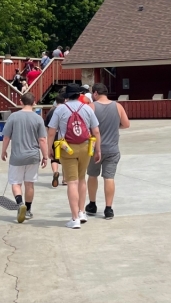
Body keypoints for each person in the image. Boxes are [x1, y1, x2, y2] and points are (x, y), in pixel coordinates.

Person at [46, 84, 101, 229]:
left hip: (67, 148)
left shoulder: (60, 109)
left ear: (66, 96)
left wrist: (48, 149)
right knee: (82, 179)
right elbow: (96, 131)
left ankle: (75, 218)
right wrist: (98, 150)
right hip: (85, 147)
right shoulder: (87, 108)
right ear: (79, 94)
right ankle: (82, 212)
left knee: (72, 182)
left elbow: (51, 132)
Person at [0, 92, 49, 223]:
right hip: (33, 156)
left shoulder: (13, 117)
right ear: (34, 103)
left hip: (17, 156)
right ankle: (27, 210)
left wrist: (3, 151)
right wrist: (45, 156)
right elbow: (43, 140)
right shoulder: (38, 118)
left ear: (21, 102)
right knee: (30, 184)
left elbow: (6, 137)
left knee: (16, 183)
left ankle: (20, 203)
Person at [86, 83, 130, 220]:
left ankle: (92, 205)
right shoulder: (118, 106)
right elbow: (126, 124)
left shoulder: (91, 107)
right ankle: (108, 209)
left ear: (95, 93)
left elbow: (86, 126)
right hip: (112, 148)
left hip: (95, 149)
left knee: (92, 176)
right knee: (109, 177)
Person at [44, 96, 66, 187]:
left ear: (56, 102)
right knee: (65, 158)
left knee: (54, 158)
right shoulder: (66, 110)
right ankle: (65, 179)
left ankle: (55, 172)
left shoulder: (51, 112)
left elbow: (47, 127)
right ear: (65, 100)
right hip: (64, 138)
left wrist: (49, 143)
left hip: (54, 137)